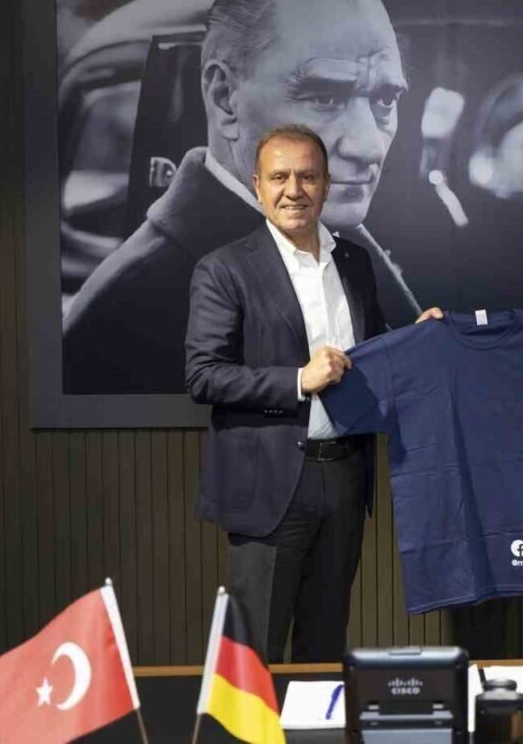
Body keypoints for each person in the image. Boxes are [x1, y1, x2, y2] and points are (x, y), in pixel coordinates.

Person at [62, 0, 417, 394]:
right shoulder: (130, 315)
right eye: (325, 97)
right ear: (225, 98)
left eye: (385, 100)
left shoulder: (339, 250)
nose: (369, 146)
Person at [185, 124, 433, 663]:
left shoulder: (355, 262)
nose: (293, 190)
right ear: (257, 185)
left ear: (325, 185)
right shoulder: (224, 269)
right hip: (270, 486)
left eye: (307, 177)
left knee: (323, 648)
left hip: (345, 475)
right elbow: (203, 375)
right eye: (279, 177)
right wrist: (299, 379)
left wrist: (419, 339)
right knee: (255, 656)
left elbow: (375, 351)